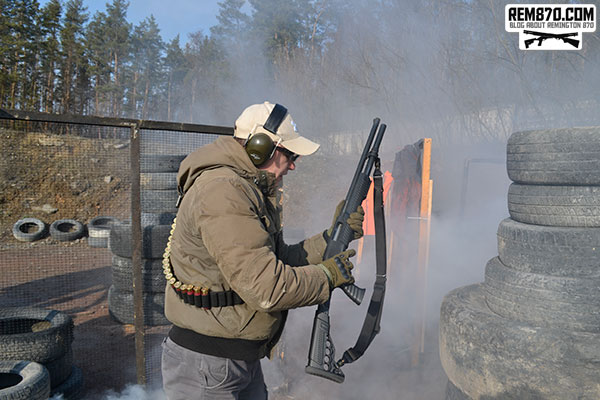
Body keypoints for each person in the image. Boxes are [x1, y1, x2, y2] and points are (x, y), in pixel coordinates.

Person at [161, 101, 364, 400]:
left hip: (232, 358)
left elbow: (277, 261)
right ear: (260, 147)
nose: (293, 164)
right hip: (209, 365)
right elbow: (266, 288)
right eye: (290, 153)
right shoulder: (224, 192)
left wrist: (331, 238)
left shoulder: (246, 188)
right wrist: (327, 277)